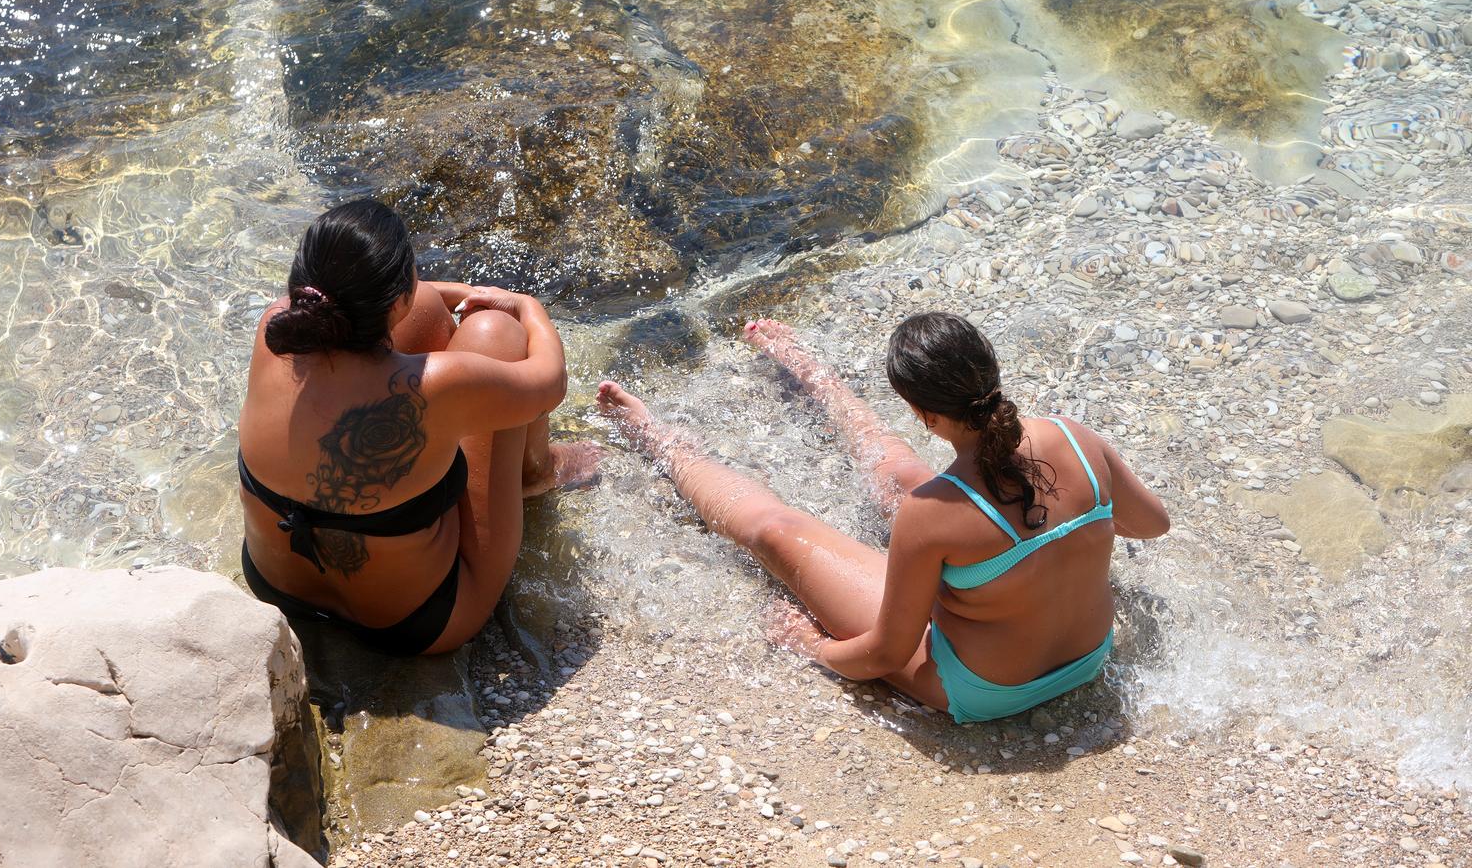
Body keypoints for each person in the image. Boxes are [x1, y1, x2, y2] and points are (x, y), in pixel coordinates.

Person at [596, 313, 1169, 723]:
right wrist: (1055, 536)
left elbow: (887, 654)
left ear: (922, 413)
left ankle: (659, 440)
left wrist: (811, 647)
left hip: (989, 689)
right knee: (901, 478)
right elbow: (1151, 524)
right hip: (1089, 656)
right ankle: (810, 371)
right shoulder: (1076, 436)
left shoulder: (931, 516)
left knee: (776, 530)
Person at [238, 199, 600, 656]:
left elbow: (409, 298)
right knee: (495, 332)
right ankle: (538, 472)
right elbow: (549, 383)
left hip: (277, 588)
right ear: (395, 298)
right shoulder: (435, 388)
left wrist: (452, 290)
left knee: (430, 306)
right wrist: (528, 308)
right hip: (417, 623)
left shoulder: (275, 329)